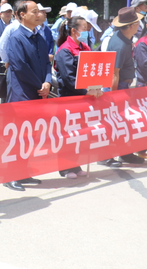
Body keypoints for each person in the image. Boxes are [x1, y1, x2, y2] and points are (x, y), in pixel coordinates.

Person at [3, 0, 51, 190]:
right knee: (18, 136)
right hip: (22, 93)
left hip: (39, 91)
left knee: (30, 135)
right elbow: (20, 66)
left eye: (39, 11)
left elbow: (47, 63)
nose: (38, 14)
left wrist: (47, 81)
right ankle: (10, 176)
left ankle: (24, 172)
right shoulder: (16, 38)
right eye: (34, 11)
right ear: (22, 14)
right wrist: (40, 84)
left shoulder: (39, 37)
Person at [52, 15, 99, 177]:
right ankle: (64, 168)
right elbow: (68, 78)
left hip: (84, 99)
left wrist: (96, 87)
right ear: (74, 31)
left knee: (80, 133)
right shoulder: (64, 50)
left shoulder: (85, 47)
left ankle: (76, 165)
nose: (87, 31)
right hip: (69, 99)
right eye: (84, 28)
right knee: (67, 134)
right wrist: (86, 91)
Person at [105, 6, 145, 166]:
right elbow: (114, 74)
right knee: (114, 121)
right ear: (131, 26)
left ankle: (125, 152)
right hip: (118, 87)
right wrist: (113, 97)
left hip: (123, 86)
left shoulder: (123, 39)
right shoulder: (120, 45)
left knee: (124, 122)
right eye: (137, 23)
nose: (139, 26)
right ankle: (107, 156)